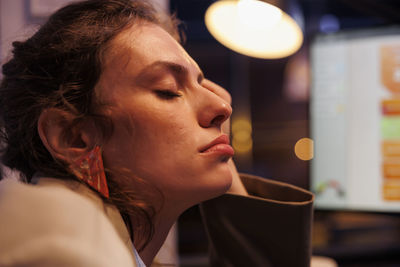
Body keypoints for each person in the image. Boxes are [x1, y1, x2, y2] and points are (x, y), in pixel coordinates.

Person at [0, 0, 314, 266]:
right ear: (73, 137)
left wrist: (217, 152)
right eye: (168, 90)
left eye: (202, 84)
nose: (223, 106)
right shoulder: (57, 236)